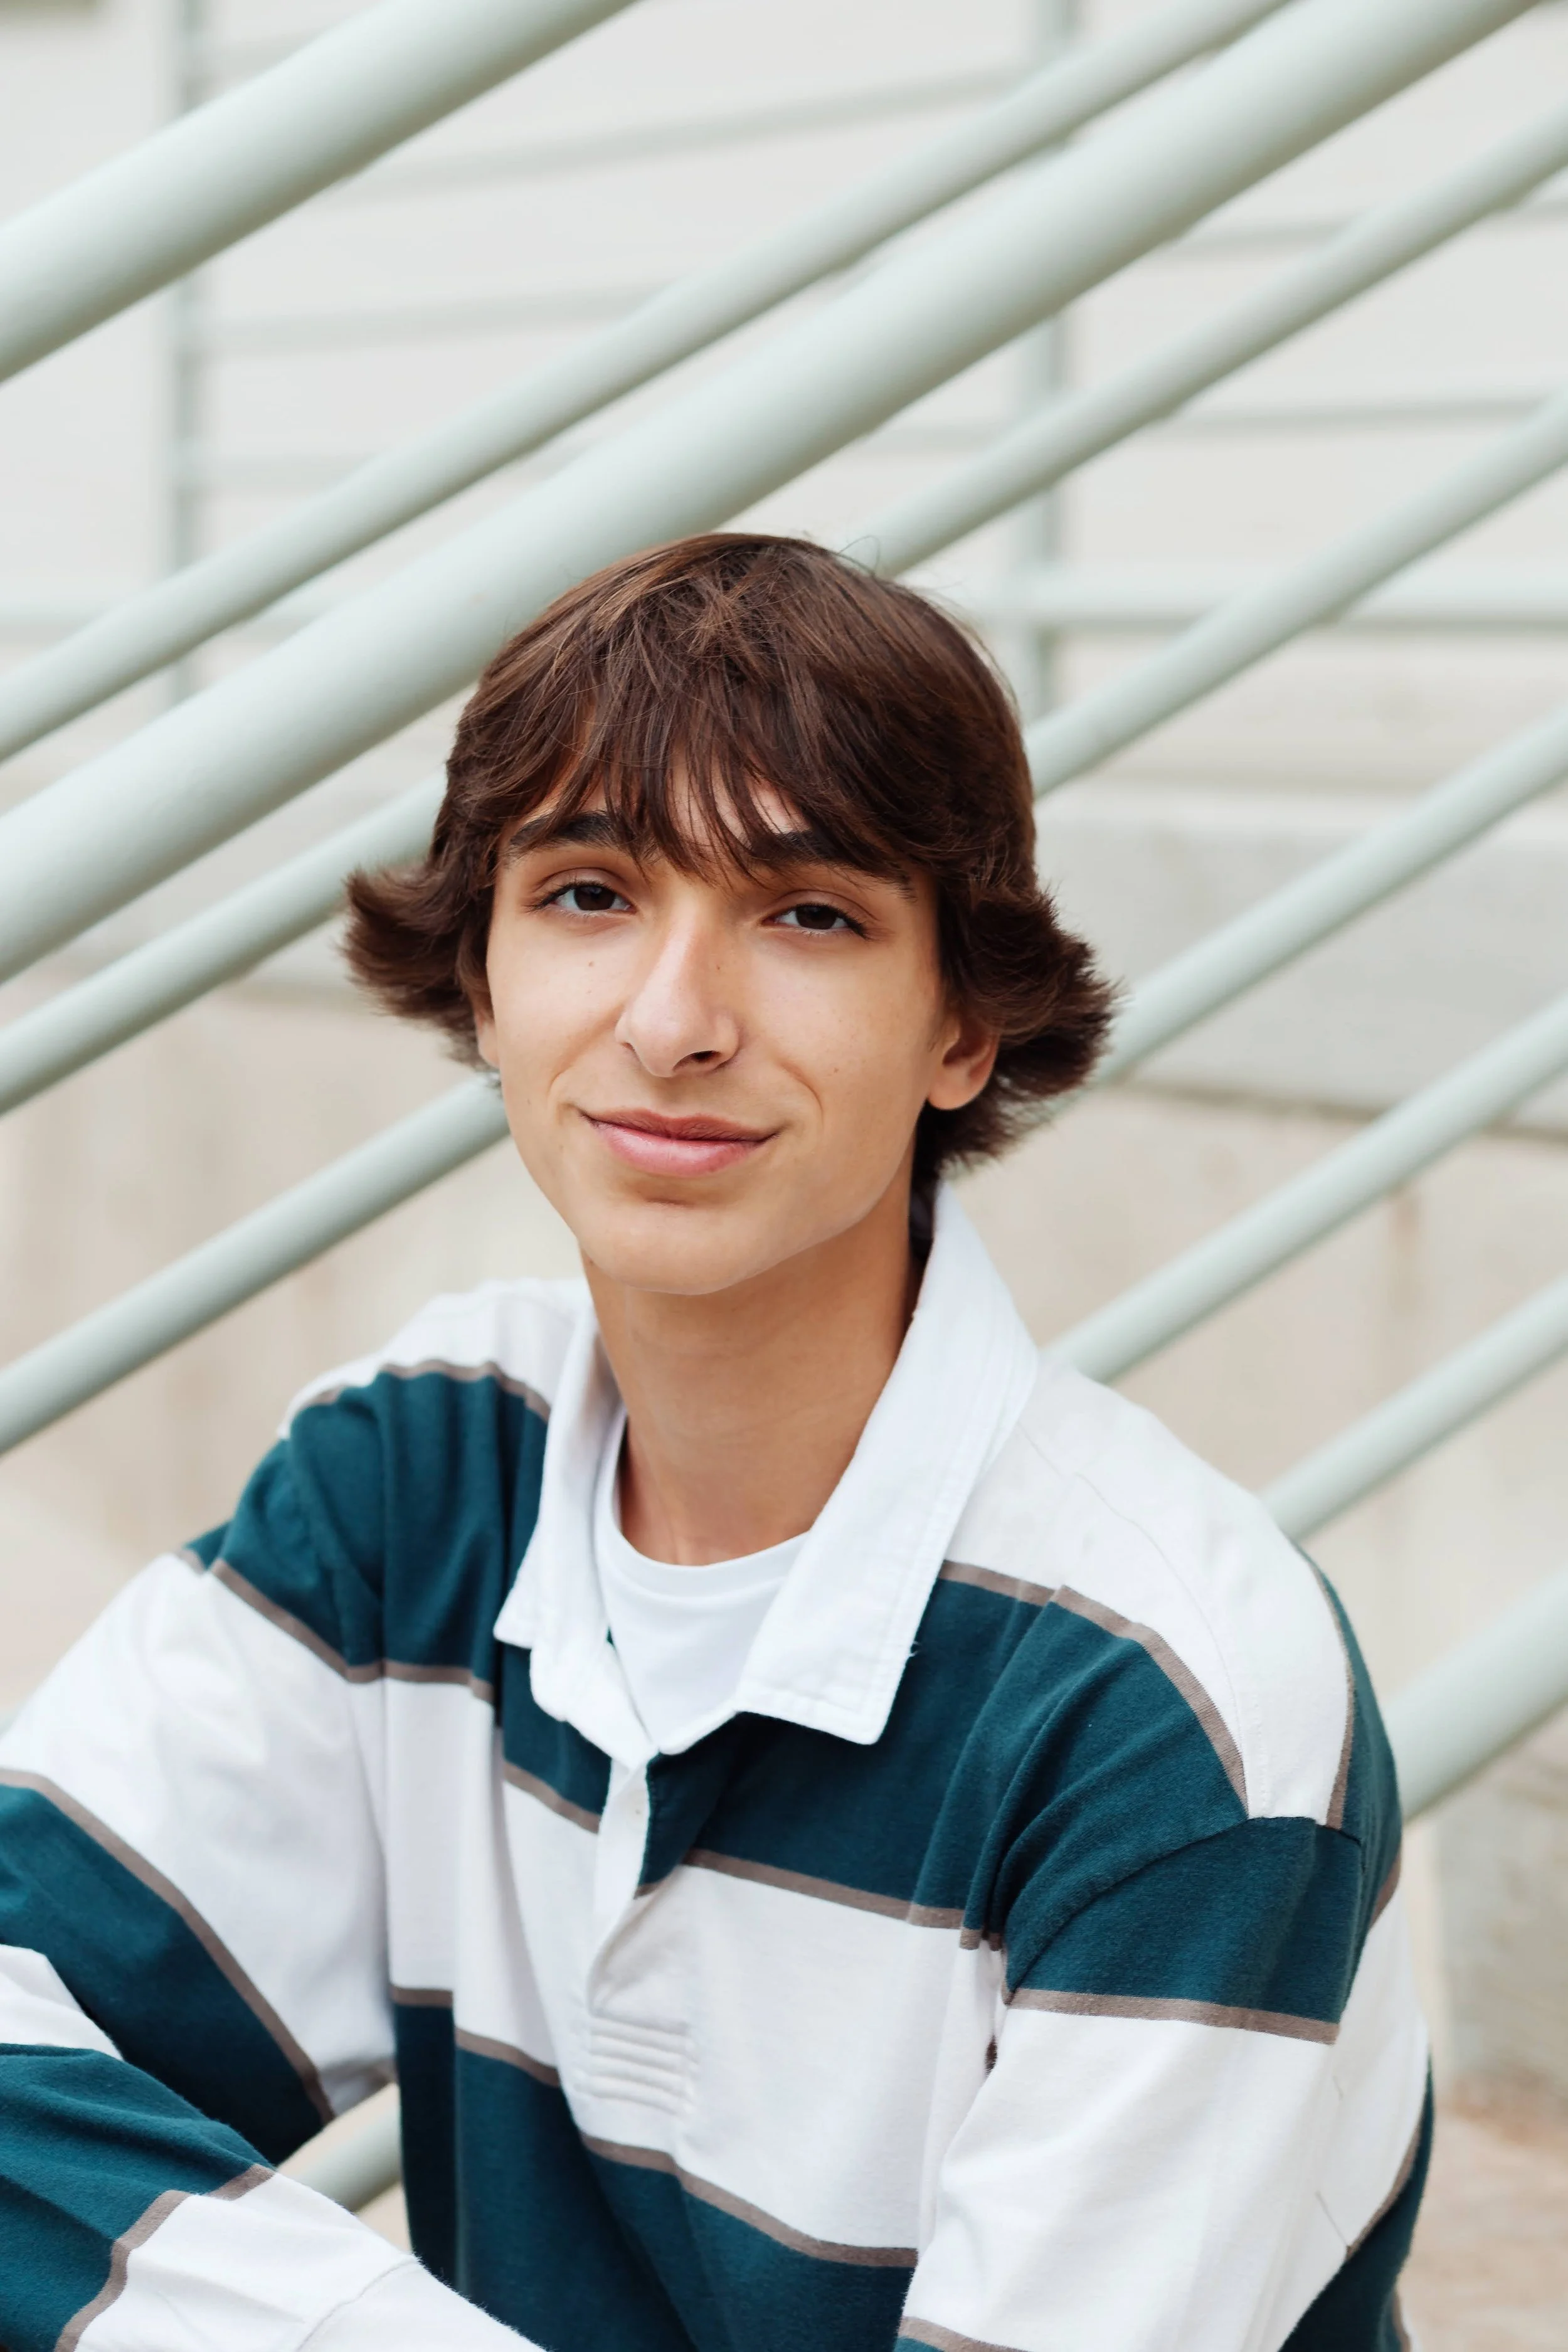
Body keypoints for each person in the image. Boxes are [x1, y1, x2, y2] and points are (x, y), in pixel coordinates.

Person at [0, 534, 1427, 2352]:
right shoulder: (426, 1472)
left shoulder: (1172, 1711)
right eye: (588, 893)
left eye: (807, 913)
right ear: (484, 975)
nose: (672, 1022)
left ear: (963, 1024)